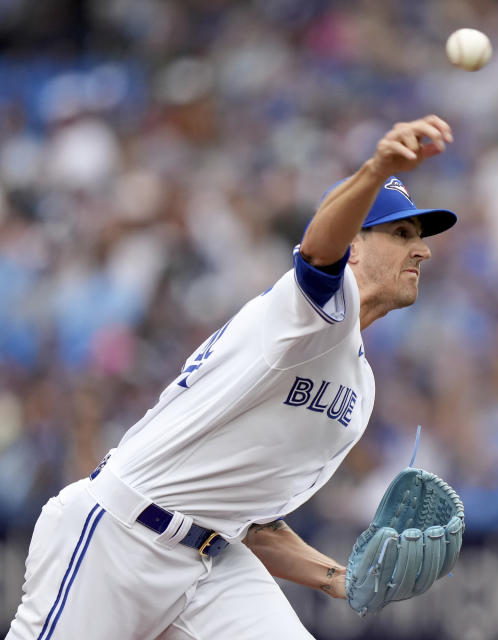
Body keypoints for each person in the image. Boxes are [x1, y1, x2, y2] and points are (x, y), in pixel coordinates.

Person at [6, 115, 458, 639]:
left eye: (419, 237)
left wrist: (339, 577)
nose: (422, 249)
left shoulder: (361, 387)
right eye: (402, 233)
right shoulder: (310, 312)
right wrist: (377, 168)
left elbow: (252, 520)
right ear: (353, 246)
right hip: (120, 535)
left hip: (212, 562)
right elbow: (316, 254)